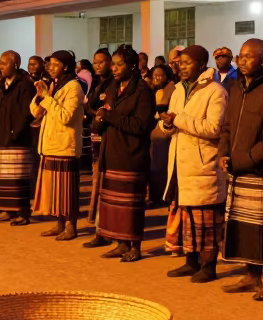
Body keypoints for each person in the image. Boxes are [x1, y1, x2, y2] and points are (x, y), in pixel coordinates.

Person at [218, 38, 263, 300]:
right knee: (243, 226)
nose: (242, 61)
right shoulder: (236, 87)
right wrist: (224, 153)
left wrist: (248, 158)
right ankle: (251, 276)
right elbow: (227, 126)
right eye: (241, 56)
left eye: (249, 56)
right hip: (238, 167)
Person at [161, 45, 229, 282]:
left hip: (203, 163)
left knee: (205, 219)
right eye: (180, 63)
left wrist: (178, 119)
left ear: (201, 65)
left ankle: (208, 266)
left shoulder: (216, 91)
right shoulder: (179, 89)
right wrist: (167, 124)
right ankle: (190, 262)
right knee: (186, 216)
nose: (181, 67)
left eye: (187, 63)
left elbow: (214, 128)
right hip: (181, 162)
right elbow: (172, 123)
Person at [88, 45, 155, 261]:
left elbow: (141, 125)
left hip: (131, 155)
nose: (114, 69)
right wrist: (99, 120)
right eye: (113, 65)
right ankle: (120, 243)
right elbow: (102, 115)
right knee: (114, 203)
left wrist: (109, 117)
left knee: (131, 205)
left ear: (132, 66)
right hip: (111, 151)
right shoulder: (111, 88)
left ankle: (135, 246)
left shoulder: (142, 91)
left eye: (119, 65)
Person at [31, 50, 85, 239]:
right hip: (49, 144)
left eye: (55, 64)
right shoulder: (53, 85)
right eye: (50, 64)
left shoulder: (74, 87)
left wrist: (47, 98)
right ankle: (59, 223)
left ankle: (71, 226)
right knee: (55, 191)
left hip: (65, 146)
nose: (51, 68)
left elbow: (65, 116)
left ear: (67, 67)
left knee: (67, 191)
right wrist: (40, 95)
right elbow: (35, 113)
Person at [0, 51, 37, 224]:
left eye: (4, 63)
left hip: (17, 138)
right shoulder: (1, 84)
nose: (0, 66)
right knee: (3, 177)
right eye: (0, 63)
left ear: (15, 65)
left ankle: (22, 213)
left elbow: (27, 112)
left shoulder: (25, 84)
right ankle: (8, 210)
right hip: (1, 136)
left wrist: (15, 131)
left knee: (17, 178)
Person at [84, 49, 116, 223]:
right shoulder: (96, 83)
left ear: (110, 63)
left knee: (105, 173)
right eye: (95, 62)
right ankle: (94, 215)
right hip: (95, 132)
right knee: (96, 172)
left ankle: (103, 217)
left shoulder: (114, 83)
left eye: (101, 62)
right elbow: (89, 106)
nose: (97, 65)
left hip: (108, 132)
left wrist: (99, 113)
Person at [148, 65, 177, 204]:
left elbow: (162, 109)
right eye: (154, 75)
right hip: (152, 132)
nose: (156, 78)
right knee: (153, 164)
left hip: (163, 132)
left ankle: (160, 197)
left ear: (167, 76)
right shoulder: (152, 90)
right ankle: (154, 196)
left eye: (159, 75)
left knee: (160, 165)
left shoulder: (170, 89)